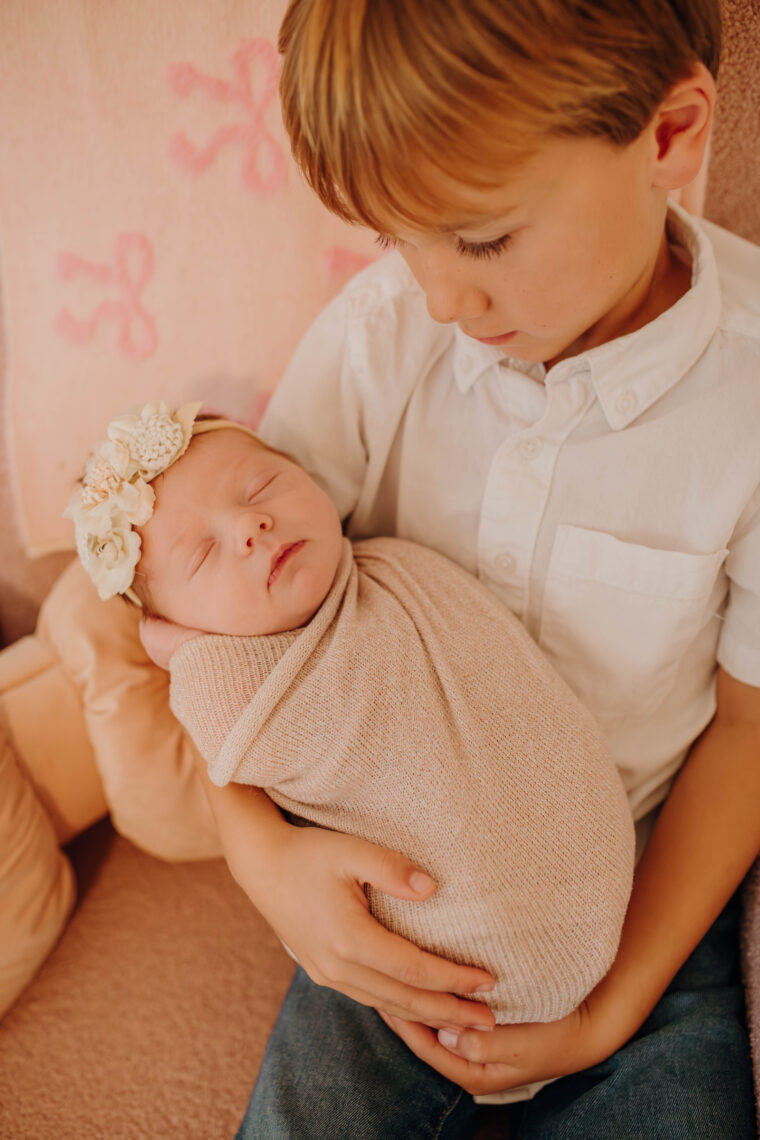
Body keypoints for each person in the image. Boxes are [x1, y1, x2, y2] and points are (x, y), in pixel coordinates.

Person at [138, 1, 760, 1136]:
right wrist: (263, 857)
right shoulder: (385, 336)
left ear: (668, 137)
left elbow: (747, 729)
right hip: (397, 906)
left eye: (477, 239)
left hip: (638, 906)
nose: (439, 297)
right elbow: (239, 632)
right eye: (395, 240)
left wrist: (613, 1008)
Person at [65, 399, 634, 1098]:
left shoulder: (397, 572)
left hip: (599, 882)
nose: (250, 525)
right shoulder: (255, 690)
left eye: (261, 488)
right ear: (182, 625)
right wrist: (180, 649)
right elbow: (224, 718)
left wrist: (173, 634)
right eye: (204, 553)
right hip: (434, 952)